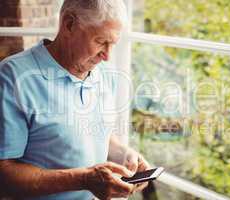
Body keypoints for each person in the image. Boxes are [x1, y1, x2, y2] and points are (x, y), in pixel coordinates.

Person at [0, 0, 150, 199]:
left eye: (113, 44)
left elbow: (93, 133)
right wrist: (82, 180)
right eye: (100, 41)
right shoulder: (13, 77)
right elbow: (4, 174)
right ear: (69, 24)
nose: (107, 56)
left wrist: (124, 154)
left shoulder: (104, 73)